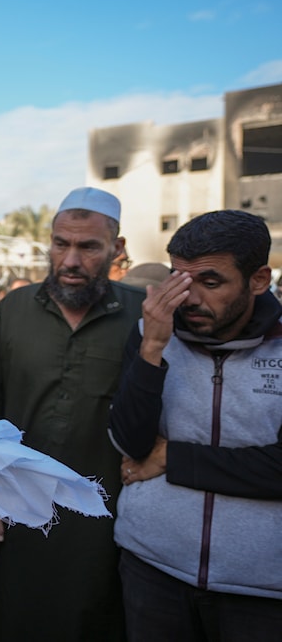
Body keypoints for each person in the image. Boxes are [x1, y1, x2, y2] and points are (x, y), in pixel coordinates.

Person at [0, 187, 145, 642]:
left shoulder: (142, 316)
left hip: (103, 516)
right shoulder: (15, 309)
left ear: (116, 249)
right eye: (61, 244)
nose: (71, 260)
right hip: (18, 504)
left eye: (88, 247)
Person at [109, 210, 282, 641]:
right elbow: (130, 442)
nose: (188, 298)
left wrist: (173, 457)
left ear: (258, 280)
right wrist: (152, 348)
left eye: (210, 282)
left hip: (261, 588)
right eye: (179, 280)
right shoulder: (153, 334)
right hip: (151, 568)